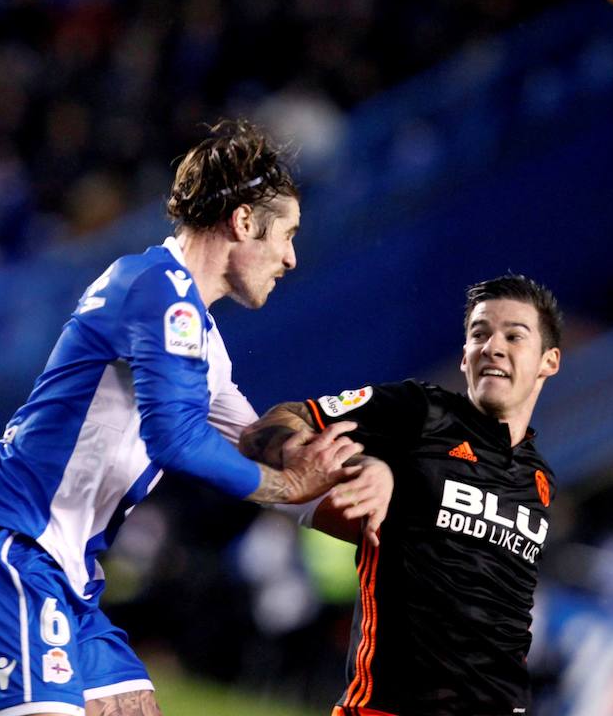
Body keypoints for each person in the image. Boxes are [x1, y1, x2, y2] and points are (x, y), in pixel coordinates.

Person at [0, 119, 387, 716]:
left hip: (63, 575)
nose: (292, 258)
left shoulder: (194, 331)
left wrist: (364, 504)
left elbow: (252, 442)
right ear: (245, 222)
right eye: (288, 234)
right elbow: (177, 438)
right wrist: (286, 481)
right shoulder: (154, 288)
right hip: (7, 548)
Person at [240, 274, 564, 716]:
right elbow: (274, 426)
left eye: (514, 335)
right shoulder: (420, 413)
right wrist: (362, 465)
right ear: (465, 355)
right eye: (479, 333)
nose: (492, 346)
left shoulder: (539, 480)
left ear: (549, 361)